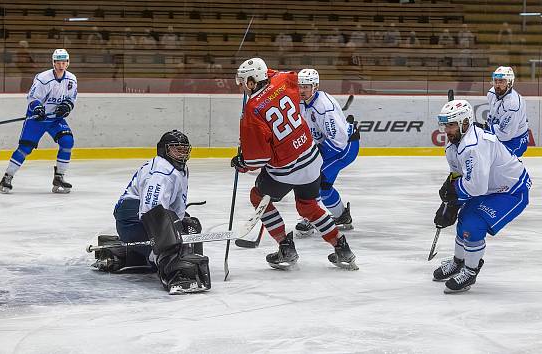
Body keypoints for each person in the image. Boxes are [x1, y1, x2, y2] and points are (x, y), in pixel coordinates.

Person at [230, 57, 358, 270]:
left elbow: (258, 159)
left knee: (257, 196)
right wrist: (264, 71)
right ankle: (342, 248)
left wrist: (242, 162)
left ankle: (285, 247)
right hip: (312, 160)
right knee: (308, 206)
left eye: (243, 82)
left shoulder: (252, 111)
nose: (242, 87)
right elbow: (281, 74)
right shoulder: (282, 81)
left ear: (252, 82)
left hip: (285, 170)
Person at [92, 130, 210, 294]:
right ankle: (175, 271)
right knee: (168, 231)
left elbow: (175, 208)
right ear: (164, 150)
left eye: (184, 149)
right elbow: (151, 211)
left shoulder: (179, 169)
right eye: (177, 149)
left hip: (141, 216)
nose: (182, 153)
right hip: (131, 221)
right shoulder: (161, 172)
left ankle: (139, 255)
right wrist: (164, 246)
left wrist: (180, 223)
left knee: (184, 224)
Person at [432, 100, 531, 293]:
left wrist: (454, 193)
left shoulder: (475, 146)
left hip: (511, 191)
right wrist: (450, 204)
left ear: (465, 123)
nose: (446, 130)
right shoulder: (453, 147)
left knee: (473, 224)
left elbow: (476, 187)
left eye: (451, 125)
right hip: (490, 188)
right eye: (445, 124)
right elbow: (461, 177)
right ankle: (458, 262)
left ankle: (470, 271)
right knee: (464, 218)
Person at [0, 49, 77, 194]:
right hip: (37, 119)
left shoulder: (71, 79)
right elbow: (32, 98)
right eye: (58, 62)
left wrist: (66, 106)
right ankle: (7, 177)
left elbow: (71, 98)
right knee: (25, 148)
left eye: (64, 62)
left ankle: (59, 176)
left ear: (68, 63)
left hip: (55, 119)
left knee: (67, 141)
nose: (61, 65)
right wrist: (38, 109)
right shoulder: (43, 79)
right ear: (53, 63)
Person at [294, 69, 360, 238]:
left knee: (314, 178)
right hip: (327, 145)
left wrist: (313, 157)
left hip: (344, 149)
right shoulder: (299, 101)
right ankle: (342, 216)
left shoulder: (325, 107)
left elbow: (339, 141)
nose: (301, 90)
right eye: (299, 86)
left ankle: (309, 217)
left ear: (315, 86)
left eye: (306, 87)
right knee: (324, 188)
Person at [486, 66, 529, 157]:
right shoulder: (491, 93)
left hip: (515, 140)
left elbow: (506, 134)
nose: (497, 85)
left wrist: (485, 128)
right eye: (496, 81)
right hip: (501, 134)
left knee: (498, 162)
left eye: (501, 81)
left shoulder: (513, 104)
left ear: (510, 82)